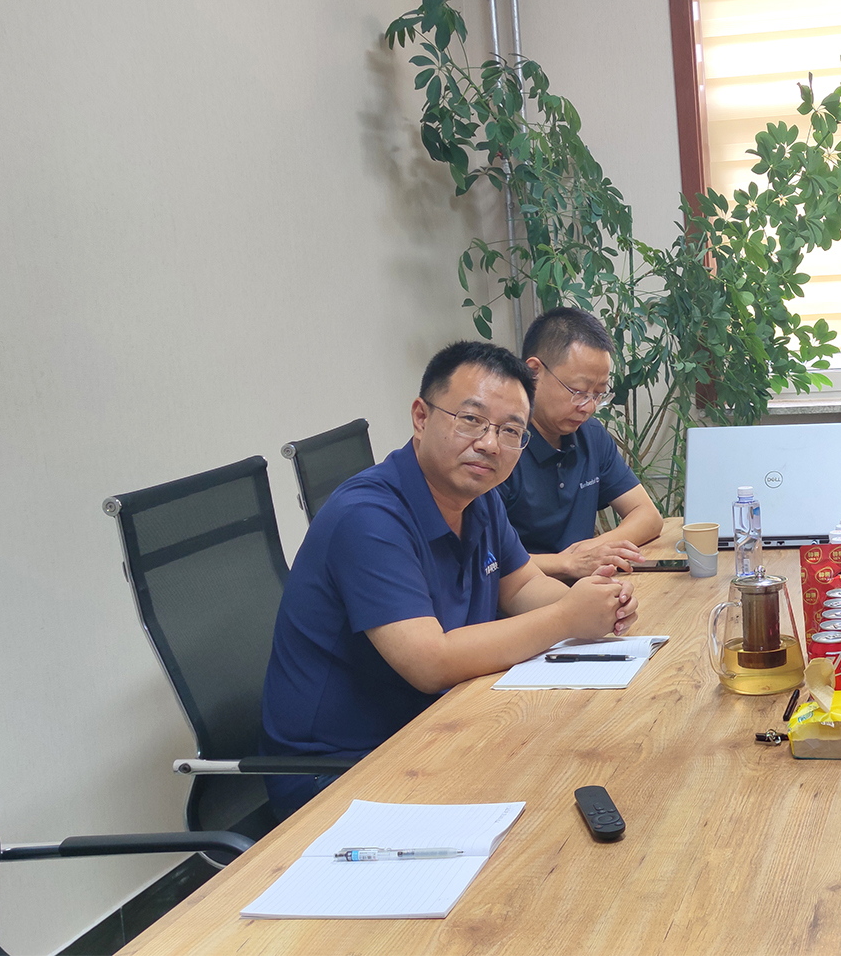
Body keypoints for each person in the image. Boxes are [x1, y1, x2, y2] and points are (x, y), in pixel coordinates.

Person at [260, 341, 639, 814]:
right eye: (471, 420)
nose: (489, 444)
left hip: (440, 727)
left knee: (599, 762)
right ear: (421, 417)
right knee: (553, 808)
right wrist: (567, 617)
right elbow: (430, 662)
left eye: (510, 431)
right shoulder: (367, 517)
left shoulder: (480, 498)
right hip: (339, 773)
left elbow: (521, 586)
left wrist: (595, 600)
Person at [498, 307, 664, 580]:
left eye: (598, 394)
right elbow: (486, 559)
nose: (589, 407)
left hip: (586, 586)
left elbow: (648, 516)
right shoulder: (499, 445)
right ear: (534, 372)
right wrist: (565, 563)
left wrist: (594, 549)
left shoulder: (591, 436)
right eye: (578, 392)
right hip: (521, 594)